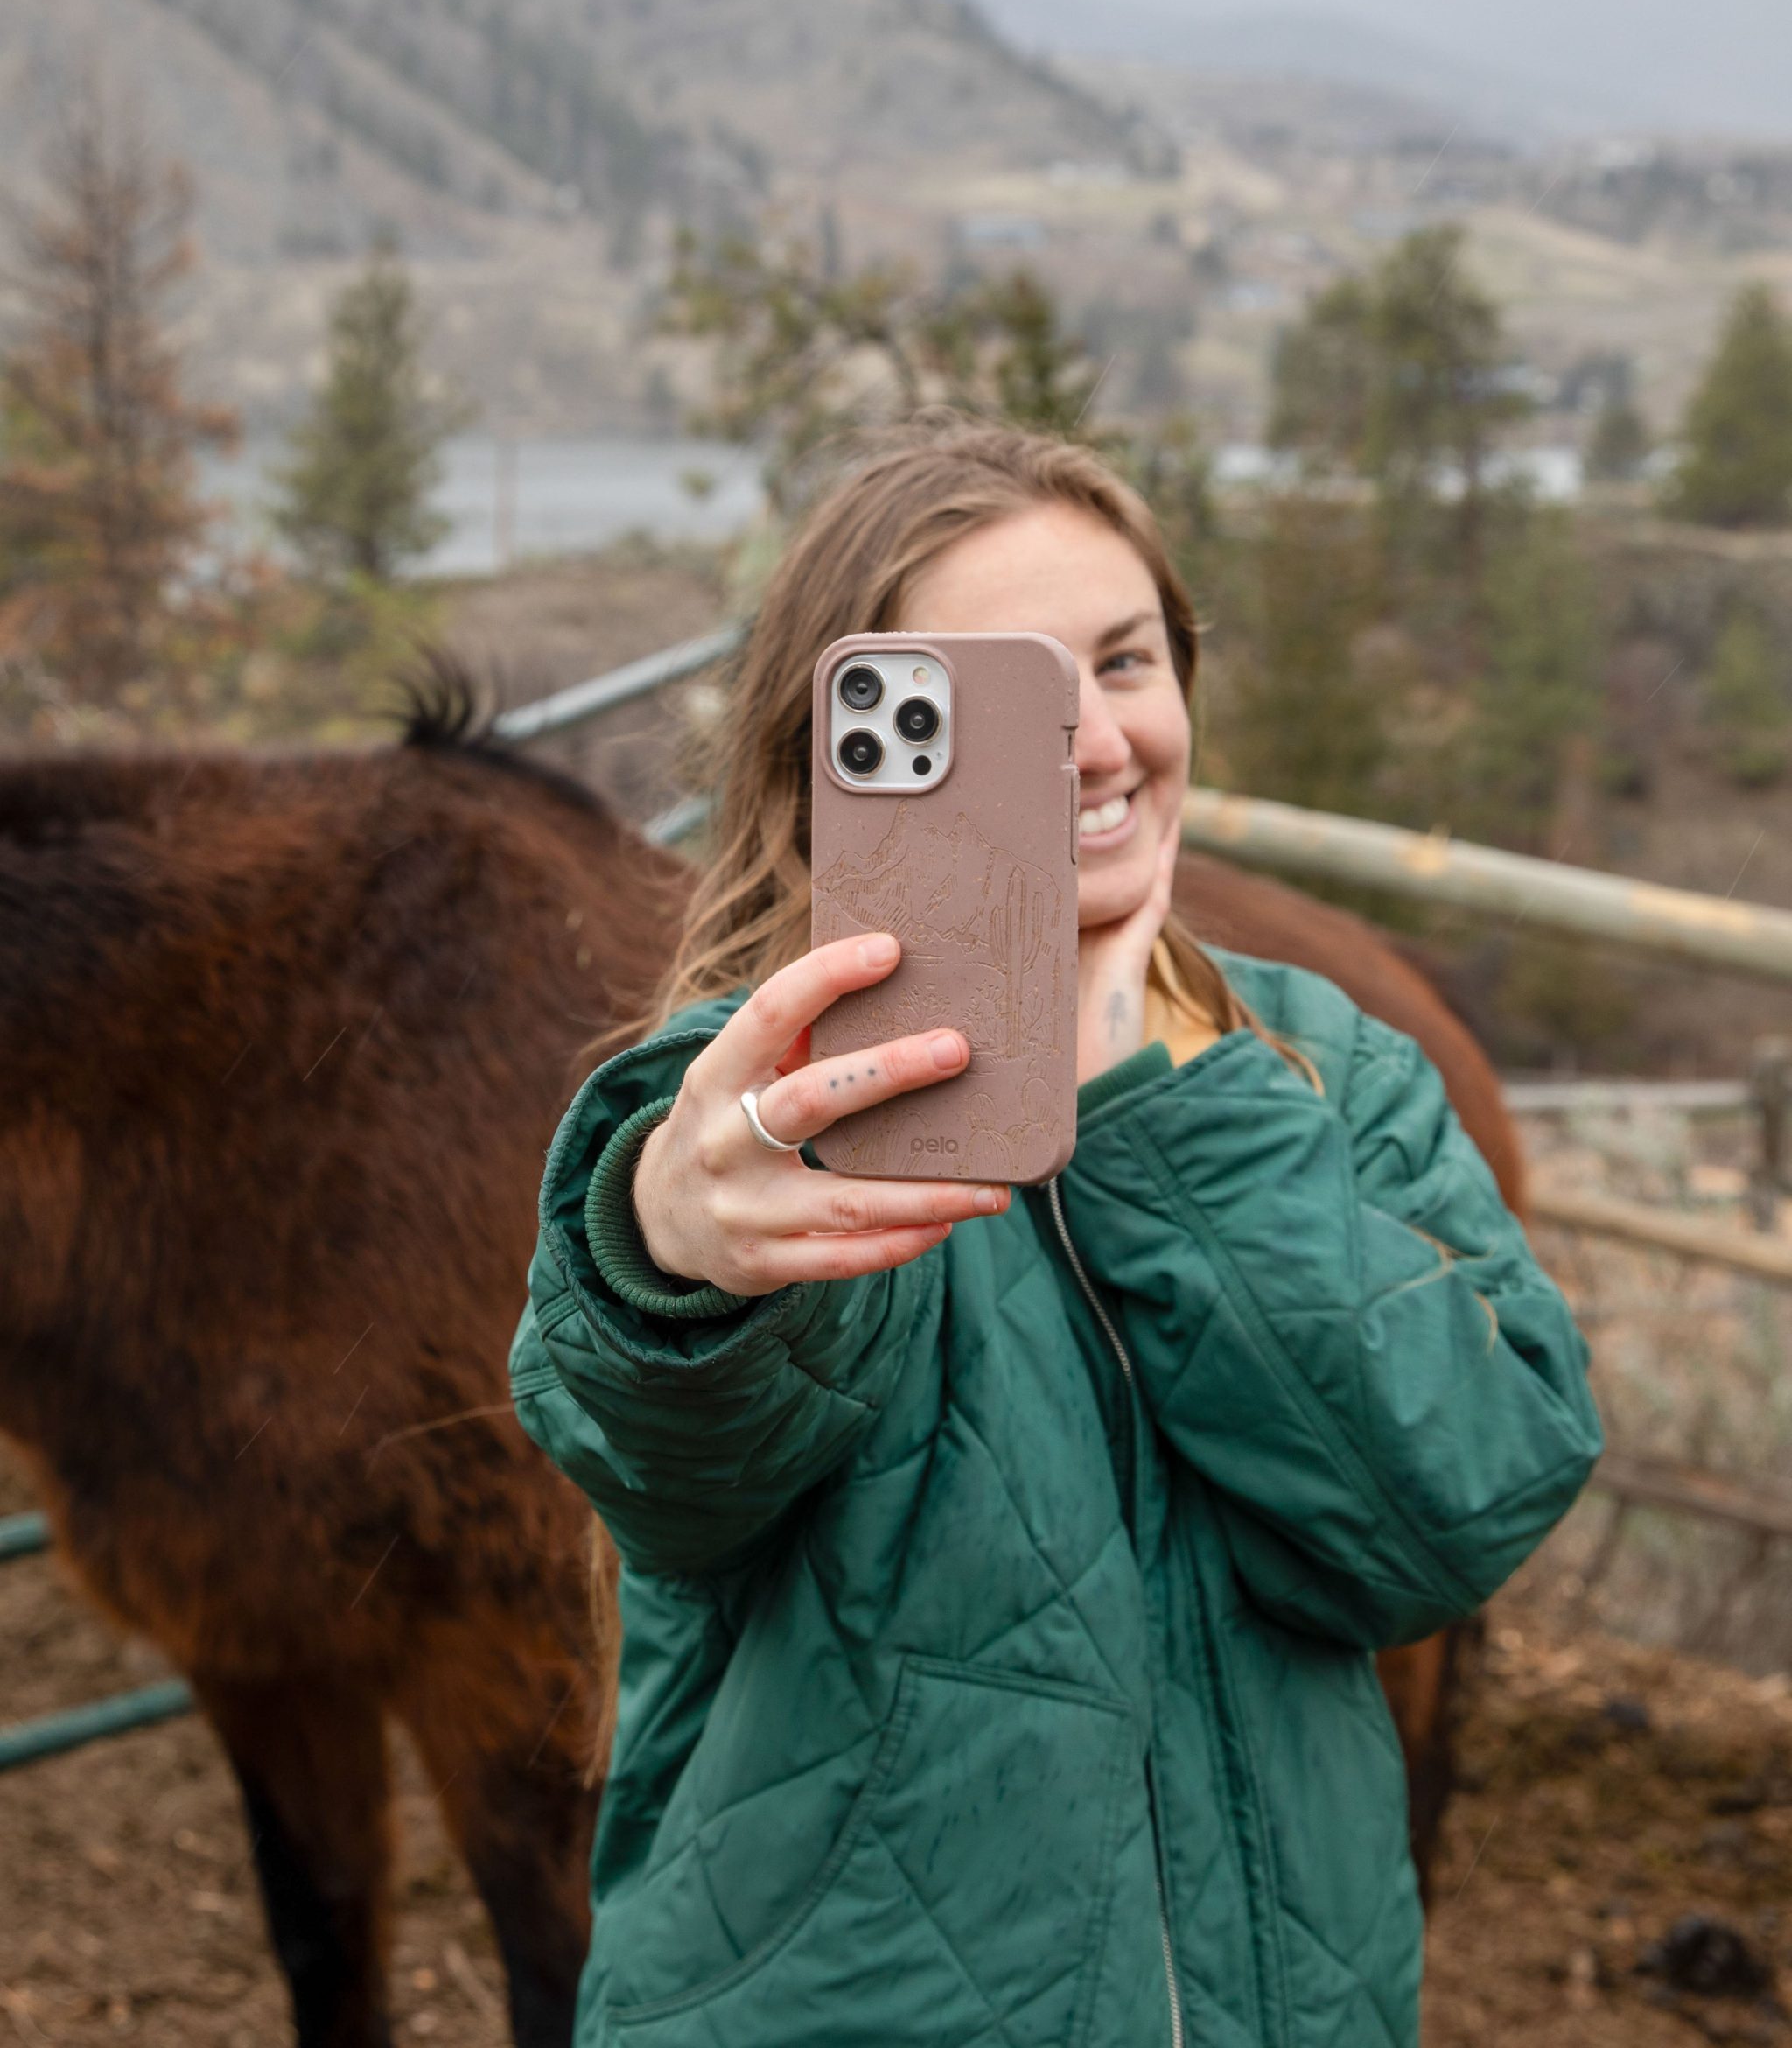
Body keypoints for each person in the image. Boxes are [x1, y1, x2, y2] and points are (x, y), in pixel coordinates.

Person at [511, 417, 1601, 2048]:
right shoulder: (776, 1092)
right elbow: (677, 1461)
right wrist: (668, 1264)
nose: (1091, 741)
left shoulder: (1329, 1071)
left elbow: (1450, 1515)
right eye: (1006, 695)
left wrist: (1155, 1088)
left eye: (1126, 660)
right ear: (851, 747)